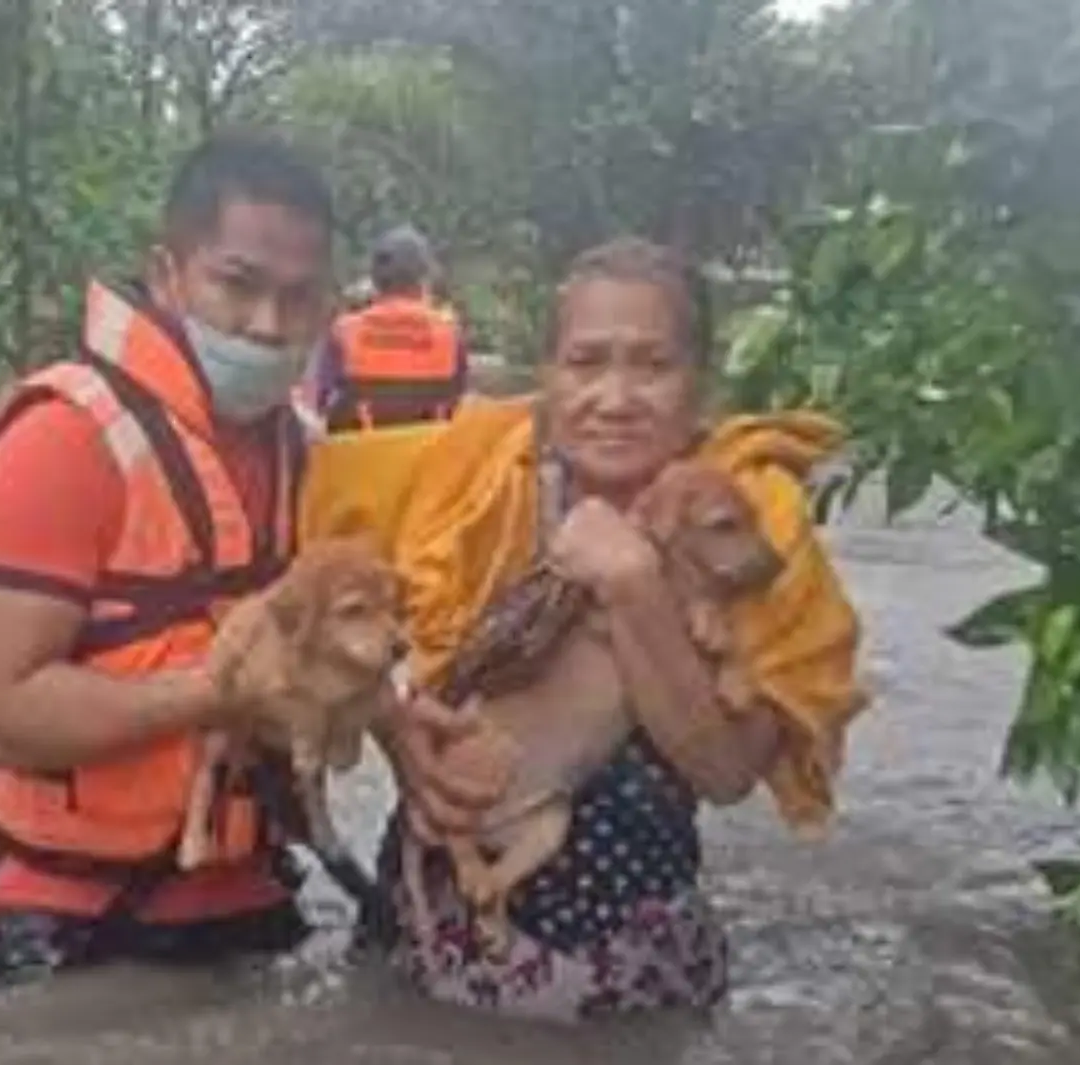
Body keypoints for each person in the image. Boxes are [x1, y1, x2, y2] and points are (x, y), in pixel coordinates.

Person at [305, 237, 867, 1019]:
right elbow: (320, 625)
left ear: (700, 387)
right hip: (418, 932)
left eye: (652, 365)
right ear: (546, 377)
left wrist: (634, 582)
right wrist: (400, 729)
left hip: (622, 967)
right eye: (586, 362)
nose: (615, 395)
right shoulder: (472, 475)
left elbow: (729, 772)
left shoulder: (746, 525)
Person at [0, 131, 371, 991]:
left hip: (246, 893)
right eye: (237, 285)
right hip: (64, 914)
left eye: (297, 298)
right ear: (167, 273)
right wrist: (221, 690)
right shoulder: (63, 438)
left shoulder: (308, 453)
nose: (267, 325)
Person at [309, 225, 468, 433]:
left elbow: (320, 403)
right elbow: (459, 402)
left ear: (375, 279)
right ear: (424, 278)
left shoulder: (343, 332)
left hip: (358, 457)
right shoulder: (450, 334)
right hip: (427, 457)